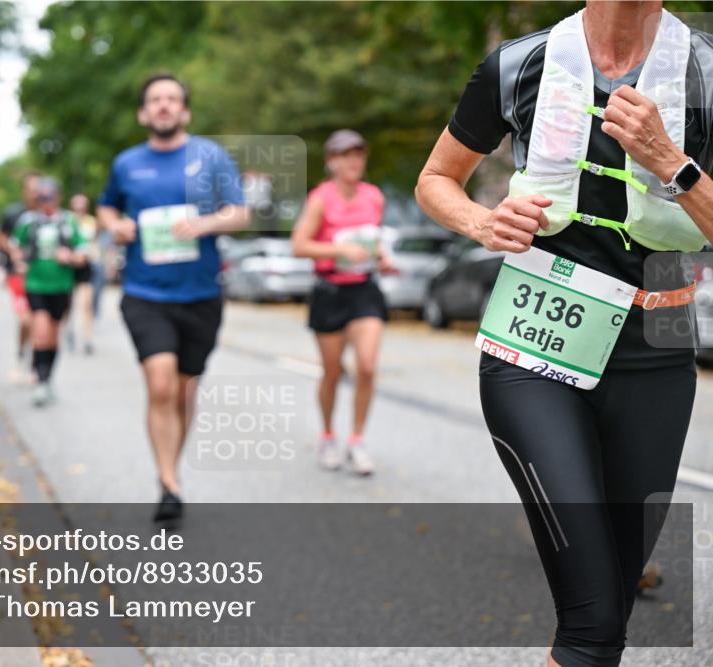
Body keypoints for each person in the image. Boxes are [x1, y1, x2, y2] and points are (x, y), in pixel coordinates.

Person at [415, 2, 713, 665]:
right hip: (534, 347)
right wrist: (482, 222)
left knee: (609, 616)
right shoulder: (517, 65)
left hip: (657, 345)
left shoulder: (706, 71)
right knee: (593, 625)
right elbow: (436, 180)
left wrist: (672, 161)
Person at [97, 73, 250, 522]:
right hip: (145, 293)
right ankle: (169, 483)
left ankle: (171, 469)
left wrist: (204, 223)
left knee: (183, 392)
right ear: (143, 113)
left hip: (201, 294)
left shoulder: (211, 157)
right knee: (160, 384)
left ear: (184, 111)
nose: (163, 105)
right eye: (155, 100)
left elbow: (240, 213)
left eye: (171, 99)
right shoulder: (126, 163)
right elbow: (106, 206)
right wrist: (115, 225)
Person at [291, 129, 394, 476]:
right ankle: (327, 436)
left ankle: (357, 440)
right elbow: (299, 245)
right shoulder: (320, 198)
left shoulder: (373, 196)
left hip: (364, 290)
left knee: (366, 367)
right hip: (330, 292)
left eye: (358, 155)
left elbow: (373, 240)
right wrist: (339, 250)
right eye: (345, 155)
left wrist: (381, 257)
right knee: (333, 372)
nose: (354, 161)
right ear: (332, 161)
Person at [10, 177, 87, 407]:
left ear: (58, 197)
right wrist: (19, 261)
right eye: (42, 198)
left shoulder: (68, 220)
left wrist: (71, 257)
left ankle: (47, 379)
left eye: (50, 197)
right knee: (41, 331)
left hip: (61, 286)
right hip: (36, 285)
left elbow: (83, 252)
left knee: (53, 336)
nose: (46, 202)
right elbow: (15, 245)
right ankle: (40, 381)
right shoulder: (29, 220)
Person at [0, 173, 40, 381]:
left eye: (39, 188)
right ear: (25, 191)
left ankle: (36, 366)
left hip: (42, 276)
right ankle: (21, 357)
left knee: (39, 321)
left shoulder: (48, 214)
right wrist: (13, 250)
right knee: (26, 320)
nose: (36, 193)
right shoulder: (13, 213)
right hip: (18, 274)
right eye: (32, 188)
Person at [66, 193, 100, 354]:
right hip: (67, 266)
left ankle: (87, 337)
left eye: (83, 205)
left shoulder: (91, 222)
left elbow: (94, 243)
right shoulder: (66, 221)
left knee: (86, 303)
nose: (80, 208)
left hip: (85, 265)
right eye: (77, 204)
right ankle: (69, 330)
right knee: (67, 304)